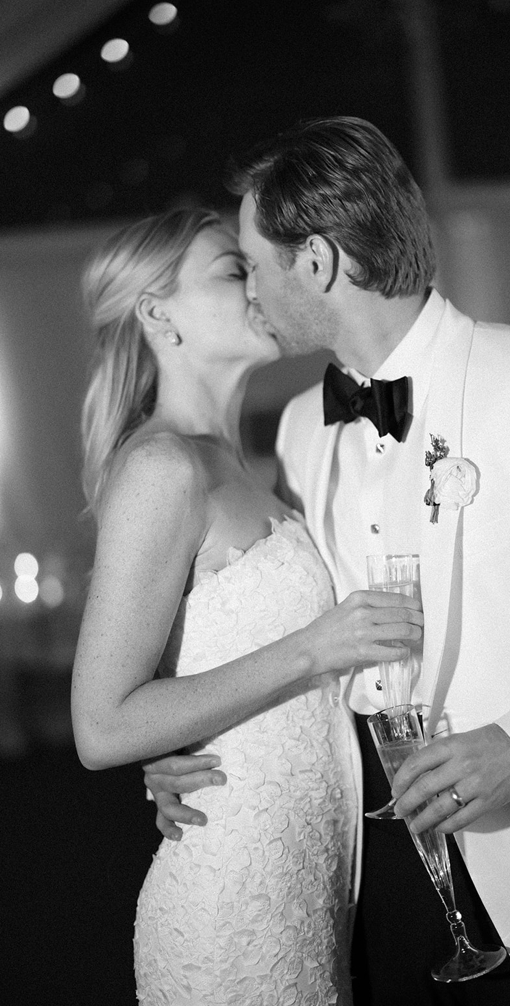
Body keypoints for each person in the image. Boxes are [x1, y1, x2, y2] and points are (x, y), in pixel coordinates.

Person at [142, 118, 510, 1006]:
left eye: (254, 263)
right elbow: (312, 640)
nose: (251, 293)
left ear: (315, 261)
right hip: (380, 885)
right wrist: (204, 749)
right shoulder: (298, 429)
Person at [70, 207, 422, 1003]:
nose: (262, 283)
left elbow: (197, 669)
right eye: (235, 270)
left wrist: (185, 733)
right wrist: (314, 647)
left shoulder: (238, 462)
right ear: (157, 312)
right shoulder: (162, 466)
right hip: (231, 904)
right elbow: (100, 726)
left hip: (309, 888)